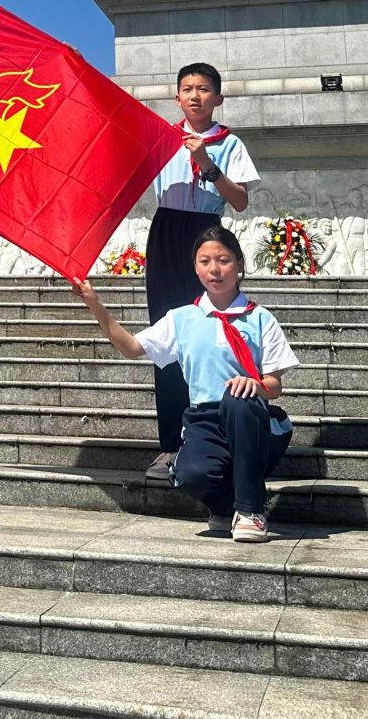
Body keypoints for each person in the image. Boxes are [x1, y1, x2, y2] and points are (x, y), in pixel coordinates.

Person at [72, 225, 297, 541]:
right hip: (205, 421)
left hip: (252, 421)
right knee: (189, 475)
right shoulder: (182, 318)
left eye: (224, 260)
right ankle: (224, 507)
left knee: (238, 398)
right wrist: (95, 305)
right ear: (195, 268)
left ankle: (250, 510)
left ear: (240, 265)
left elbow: (275, 385)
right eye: (205, 261)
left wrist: (255, 385)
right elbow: (132, 348)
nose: (214, 269)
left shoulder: (260, 318)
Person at [140, 61, 261, 480]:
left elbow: (241, 201)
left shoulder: (230, 143)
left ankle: (214, 435)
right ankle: (171, 444)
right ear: (177, 97)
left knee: (208, 337)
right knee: (166, 336)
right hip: (166, 232)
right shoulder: (159, 138)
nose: (195, 95)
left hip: (206, 235)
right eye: (187, 88)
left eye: (204, 89)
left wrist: (207, 164)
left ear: (218, 98)